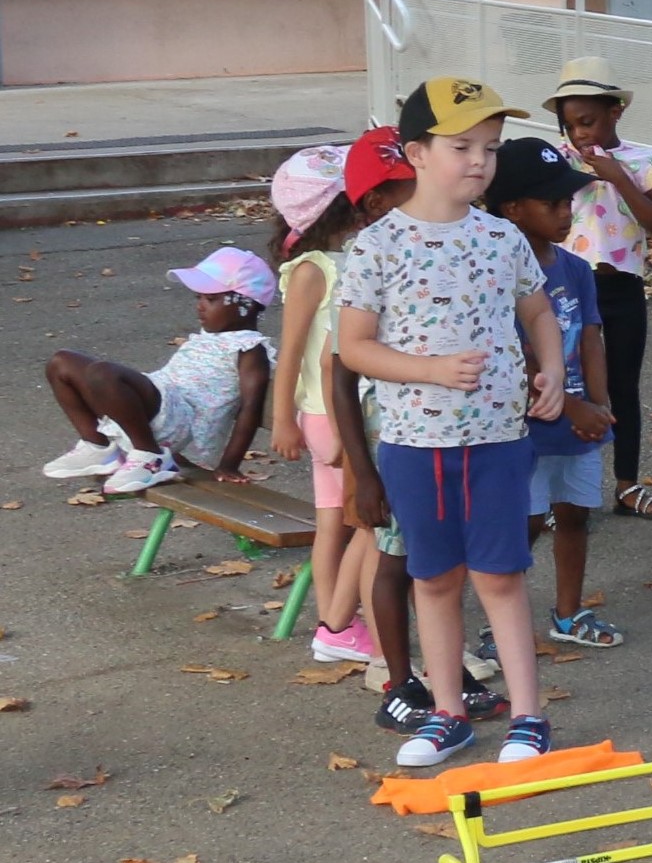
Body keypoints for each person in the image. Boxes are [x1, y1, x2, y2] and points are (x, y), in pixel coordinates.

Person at [336, 77, 565, 770]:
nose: (479, 162)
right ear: (416, 153)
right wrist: (429, 371)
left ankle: (529, 716)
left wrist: (551, 368)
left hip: (498, 439)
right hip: (414, 443)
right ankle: (448, 714)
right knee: (433, 578)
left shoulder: (501, 237)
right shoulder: (377, 247)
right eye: (461, 146)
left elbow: (537, 312)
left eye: (490, 149)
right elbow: (353, 348)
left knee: (499, 576)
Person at [321, 126, 508, 734]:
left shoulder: (473, 243)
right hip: (398, 446)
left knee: (438, 565)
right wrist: (361, 472)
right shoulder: (375, 258)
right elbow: (341, 373)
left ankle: (440, 676)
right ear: (380, 201)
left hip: (450, 439)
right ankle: (398, 678)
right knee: (396, 562)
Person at [486, 136, 624, 648]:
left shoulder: (576, 270)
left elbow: (591, 336)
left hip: (579, 422)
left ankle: (568, 614)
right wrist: (572, 406)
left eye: (569, 202)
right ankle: (501, 624)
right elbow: (511, 353)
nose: (566, 212)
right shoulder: (496, 275)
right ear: (512, 209)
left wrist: (600, 405)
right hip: (524, 425)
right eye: (553, 203)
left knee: (574, 515)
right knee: (522, 528)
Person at [547, 58, 652, 522]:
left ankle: (626, 483)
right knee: (559, 382)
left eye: (588, 121)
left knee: (623, 383)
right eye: (569, 124)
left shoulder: (644, 161)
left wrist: (617, 174)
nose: (579, 133)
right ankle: (553, 491)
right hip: (564, 287)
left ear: (615, 111)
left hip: (620, 285)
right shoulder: (558, 160)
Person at [267, 143, 380, 664]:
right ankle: (338, 622)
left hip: (326, 413)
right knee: (361, 522)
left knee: (334, 521)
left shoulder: (331, 261)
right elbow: (295, 353)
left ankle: (335, 624)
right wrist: (282, 420)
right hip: (331, 414)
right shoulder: (317, 269)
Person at [42, 247, 277, 495]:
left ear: (246, 305)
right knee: (61, 362)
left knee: (103, 374)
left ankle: (151, 457)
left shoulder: (249, 350)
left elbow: (250, 408)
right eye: (198, 298)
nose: (200, 307)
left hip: (179, 419)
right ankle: (98, 447)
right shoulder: (210, 337)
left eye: (210, 299)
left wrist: (229, 465)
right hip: (159, 404)